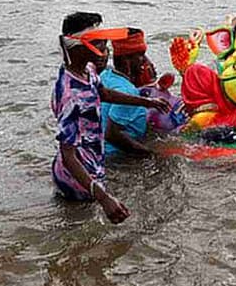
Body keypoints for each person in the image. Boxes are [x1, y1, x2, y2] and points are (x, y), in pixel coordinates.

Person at [51, 12, 170, 224]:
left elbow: (104, 93)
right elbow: (68, 155)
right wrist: (105, 199)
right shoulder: (71, 95)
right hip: (77, 177)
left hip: (93, 163)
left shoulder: (87, 70)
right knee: (84, 229)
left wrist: (147, 102)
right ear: (77, 46)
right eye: (97, 41)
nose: (104, 46)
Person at [100, 27, 167, 156]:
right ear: (127, 59)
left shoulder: (105, 75)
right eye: (141, 55)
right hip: (115, 156)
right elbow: (112, 134)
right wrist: (151, 155)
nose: (144, 60)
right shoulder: (127, 91)